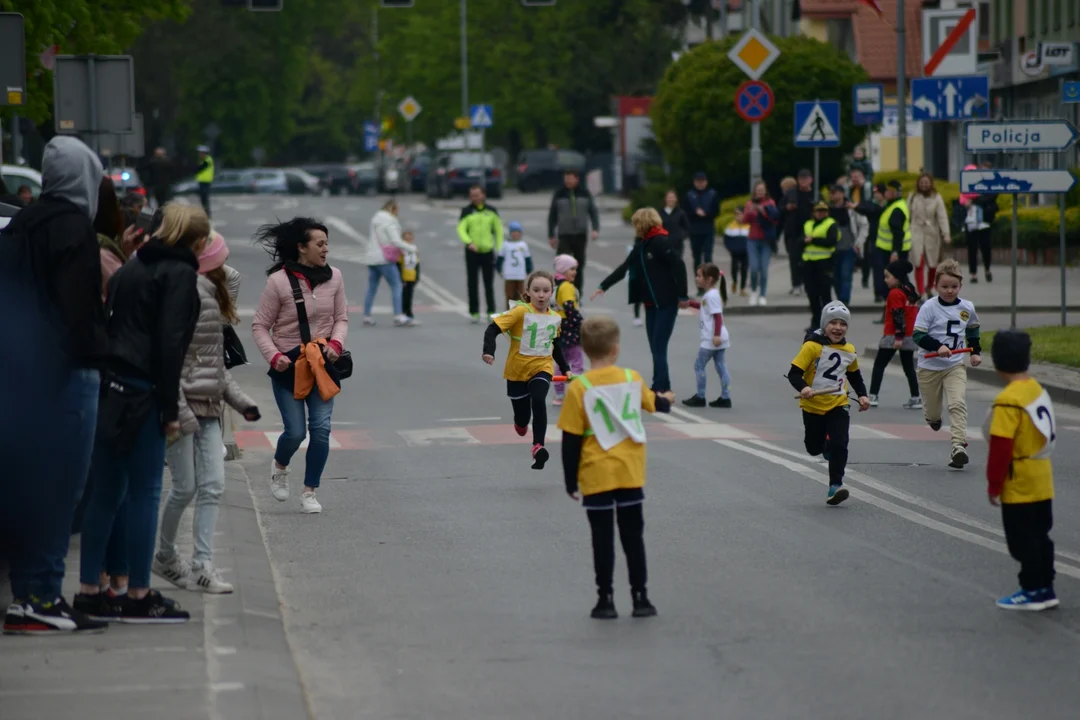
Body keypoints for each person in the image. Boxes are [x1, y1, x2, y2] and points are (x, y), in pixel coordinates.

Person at [74, 203, 205, 625]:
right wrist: (170, 407)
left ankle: (90, 591)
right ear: (197, 242)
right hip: (144, 390)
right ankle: (138, 594)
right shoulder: (180, 273)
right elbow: (170, 344)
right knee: (146, 493)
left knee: (107, 492)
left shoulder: (132, 265)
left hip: (110, 383)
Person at [0, 136, 110, 635]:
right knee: (62, 490)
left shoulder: (23, 222)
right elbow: (75, 308)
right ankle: (42, 595)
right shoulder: (73, 229)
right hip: (68, 375)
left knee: (29, 486)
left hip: (23, 370)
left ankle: (29, 594)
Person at [153, 233, 260, 594]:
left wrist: (242, 403)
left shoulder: (212, 301)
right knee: (185, 487)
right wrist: (180, 413)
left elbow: (216, 367)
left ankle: (202, 565)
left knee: (213, 485)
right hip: (180, 408)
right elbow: (169, 366)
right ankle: (165, 556)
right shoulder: (181, 300)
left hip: (210, 407)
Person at [557, 316, 674, 619]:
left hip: (595, 475)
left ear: (583, 349)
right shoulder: (631, 378)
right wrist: (667, 401)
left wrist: (571, 481)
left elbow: (570, 440)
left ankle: (605, 599)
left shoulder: (578, 388)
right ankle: (640, 597)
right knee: (633, 536)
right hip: (629, 472)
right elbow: (654, 404)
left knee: (602, 537)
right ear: (616, 349)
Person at [252, 218, 349, 514]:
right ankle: (280, 466)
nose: (325, 250)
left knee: (320, 429)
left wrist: (335, 345)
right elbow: (259, 326)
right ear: (301, 248)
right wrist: (274, 356)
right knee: (295, 432)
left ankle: (310, 491)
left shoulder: (335, 277)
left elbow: (341, 318)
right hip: (289, 367)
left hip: (322, 364)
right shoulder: (278, 282)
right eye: (319, 244)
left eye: (327, 244)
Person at [986, 330, 1058, 611]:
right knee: (1041, 534)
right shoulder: (1036, 390)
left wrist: (994, 484)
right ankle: (1046, 585)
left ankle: (1031, 589)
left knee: (1020, 539)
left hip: (1019, 480)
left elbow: (1001, 447)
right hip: (1042, 476)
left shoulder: (1008, 400)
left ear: (997, 362)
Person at [592, 208, 689, 394]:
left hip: (666, 302)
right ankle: (662, 384)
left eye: (636, 224)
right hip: (651, 304)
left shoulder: (660, 242)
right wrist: (603, 286)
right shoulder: (642, 244)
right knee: (654, 346)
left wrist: (683, 295)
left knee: (659, 346)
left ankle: (659, 387)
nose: (634, 227)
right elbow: (625, 267)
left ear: (643, 224)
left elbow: (679, 265)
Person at [482, 270, 571, 470]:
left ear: (552, 293)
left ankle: (538, 446)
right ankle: (521, 424)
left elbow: (555, 346)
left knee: (539, 400)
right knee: (522, 419)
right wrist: (489, 351)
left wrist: (566, 369)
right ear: (528, 292)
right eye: (536, 290)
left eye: (546, 290)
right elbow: (492, 329)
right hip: (517, 371)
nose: (541, 295)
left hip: (542, 367)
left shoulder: (555, 317)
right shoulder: (521, 312)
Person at [786, 301, 871, 506]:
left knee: (840, 443)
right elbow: (794, 374)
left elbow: (855, 375)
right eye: (833, 323)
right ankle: (824, 444)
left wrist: (862, 395)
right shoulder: (811, 346)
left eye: (843, 324)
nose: (838, 328)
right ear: (825, 324)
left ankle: (835, 485)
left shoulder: (849, 350)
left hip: (838, 403)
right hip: (813, 406)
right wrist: (804, 388)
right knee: (813, 448)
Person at [913, 259, 981, 469]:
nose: (950, 291)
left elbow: (972, 329)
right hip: (929, 366)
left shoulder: (966, 307)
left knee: (957, 403)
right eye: (945, 287)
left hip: (954, 365)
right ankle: (933, 419)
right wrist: (937, 346)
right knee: (934, 413)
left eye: (954, 287)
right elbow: (917, 335)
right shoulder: (929, 307)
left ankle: (958, 446)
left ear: (960, 286)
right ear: (936, 286)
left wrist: (975, 352)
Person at [868, 259, 922, 409]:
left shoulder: (895, 293)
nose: (885, 280)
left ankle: (872, 395)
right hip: (910, 335)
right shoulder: (910, 291)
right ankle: (915, 397)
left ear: (896, 277)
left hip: (894, 335)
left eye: (887, 277)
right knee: (908, 367)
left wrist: (898, 337)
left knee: (879, 365)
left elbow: (898, 315)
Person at [681, 263, 731, 408]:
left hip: (711, 339)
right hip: (719, 337)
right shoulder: (710, 295)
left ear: (709, 279)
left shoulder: (711, 296)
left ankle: (700, 396)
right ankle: (725, 397)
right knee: (721, 366)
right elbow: (704, 307)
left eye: (699, 276)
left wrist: (716, 335)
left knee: (699, 365)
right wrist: (689, 303)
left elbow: (717, 316)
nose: (696, 279)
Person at [547, 170, 600, 293]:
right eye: (566, 179)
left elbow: (593, 212)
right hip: (564, 235)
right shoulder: (559, 194)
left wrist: (595, 229)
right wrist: (551, 235)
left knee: (578, 266)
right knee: (562, 265)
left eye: (570, 178)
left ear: (577, 179)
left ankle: (577, 293)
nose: (568, 181)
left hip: (580, 235)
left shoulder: (585, 194)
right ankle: (560, 292)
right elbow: (552, 216)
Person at [364, 198, 413, 327]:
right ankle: (398, 315)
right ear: (392, 209)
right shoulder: (390, 222)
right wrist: (412, 248)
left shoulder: (375, 219)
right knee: (396, 285)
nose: (398, 212)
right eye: (397, 209)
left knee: (372, 287)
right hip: (385, 258)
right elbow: (395, 241)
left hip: (372, 258)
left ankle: (367, 315)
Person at [459, 185, 503, 323]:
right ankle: (474, 312)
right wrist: (468, 242)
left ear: (483, 195)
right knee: (472, 282)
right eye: (472, 195)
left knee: (488, 282)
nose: (475, 198)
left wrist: (500, 249)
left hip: (488, 251)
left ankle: (491, 310)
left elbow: (498, 231)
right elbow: (461, 229)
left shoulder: (491, 211)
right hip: (472, 252)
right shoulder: (467, 211)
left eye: (477, 195)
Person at [908, 173, 951, 298]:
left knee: (933, 264)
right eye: (922, 182)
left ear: (930, 183)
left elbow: (942, 217)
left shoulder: (937, 197)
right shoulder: (913, 196)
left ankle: (929, 288)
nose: (924, 185)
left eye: (926, 182)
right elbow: (907, 215)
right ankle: (920, 292)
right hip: (916, 232)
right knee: (918, 263)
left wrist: (946, 234)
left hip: (932, 233)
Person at [827, 184, 868, 306]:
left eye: (834, 193)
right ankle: (840, 297)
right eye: (831, 193)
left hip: (849, 248)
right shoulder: (828, 209)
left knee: (846, 275)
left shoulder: (851, 208)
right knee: (835, 277)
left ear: (842, 194)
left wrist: (858, 244)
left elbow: (864, 225)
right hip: (832, 249)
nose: (832, 195)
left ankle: (844, 301)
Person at [739, 181, 779, 306]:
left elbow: (775, 219)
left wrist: (763, 211)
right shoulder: (749, 203)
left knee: (764, 269)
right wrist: (750, 211)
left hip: (766, 240)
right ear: (754, 191)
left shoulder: (770, 203)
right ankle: (754, 291)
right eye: (758, 190)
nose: (760, 192)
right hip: (753, 239)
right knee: (754, 268)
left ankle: (762, 294)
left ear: (766, 191)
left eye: (762, 190)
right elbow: (744, 221)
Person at [552, 255, 585, 405]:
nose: (574, 272)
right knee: (577, 359)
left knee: (561, 360)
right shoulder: (567, 287)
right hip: (569, 326)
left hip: (559, 326)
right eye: (572, 269)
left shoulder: (559, 285)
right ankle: (576, 390)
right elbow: (569, 308)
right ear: (563, 270)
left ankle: (559, 393)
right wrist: (581, 324)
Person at [802, 201, 837, 333]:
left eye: (823, 211)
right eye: (818, 211)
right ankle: (815, 322)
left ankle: (828, 323)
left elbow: (831, 241)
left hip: (825, 263)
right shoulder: (808, 224)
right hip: (809, 263)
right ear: (814, 212)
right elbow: (800, 240)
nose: (821, 213)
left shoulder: (831, 224)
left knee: (825, 294)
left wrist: (813, 240)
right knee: (812, 294)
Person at [873, 179, 911, 294]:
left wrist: (895, 252)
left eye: (888, 191)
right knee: (897, 277)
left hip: (891, 251)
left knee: (895, 278)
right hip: (889, 249)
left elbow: (898, 233)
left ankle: (909, 297)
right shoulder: (894, 204)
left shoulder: (896, 209)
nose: (885, 193)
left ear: (894, 193)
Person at [960, 166, 996, 284]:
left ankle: (987, 269)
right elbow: (962, 200)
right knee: (972, 248)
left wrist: (975, 200)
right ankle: (973, 274)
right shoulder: (965, 187)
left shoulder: (985, 184)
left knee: (985, 247)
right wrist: (966, 203)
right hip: (971, 223)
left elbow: (991, 196)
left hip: (984, 222)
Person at [782, 169, 815, 296]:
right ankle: (796, 284)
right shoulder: (791, 193)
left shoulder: (814, 194)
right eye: (801, 179)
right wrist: (787, 208)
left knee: (807, 261)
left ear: (811, 180)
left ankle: (807, 283)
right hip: (793, 232)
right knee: (794, 259)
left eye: (806, 178)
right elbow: (780, 210)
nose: (804, 181)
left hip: (810, 233)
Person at [685, 172, 720, 271]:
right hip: (694, 229)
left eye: (702, 181)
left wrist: (706, 214)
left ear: (706, 182)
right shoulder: (689, 195)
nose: (700, 184)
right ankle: (699, 281)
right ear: (694, 182)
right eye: (698, 181)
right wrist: (695, 213)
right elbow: (686, 211)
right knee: (696, 257)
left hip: (708, 228)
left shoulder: (712, 194)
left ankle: (708, 278)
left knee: (708, 256)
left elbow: (717, 211)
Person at [847, 166, 874, 291]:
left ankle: (865, 277)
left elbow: (869, 203)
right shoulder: (849, 188)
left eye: (857, 177)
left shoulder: (867, 188)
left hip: (864, 217)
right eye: (853, 177)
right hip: (852, 216)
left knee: (866, 250)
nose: (855, 179)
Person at [496, 220, 532, 309]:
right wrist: (499, 268)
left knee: (521, 296)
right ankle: (509, 313)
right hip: (509, 274)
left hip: (520, 274)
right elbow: (500, 258)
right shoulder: (505, 245)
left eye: (517, 232)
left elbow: (527, 258)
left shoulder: (523, 245)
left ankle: (519, 312)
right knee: (509, 295)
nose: (515, 234)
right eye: (513, 232)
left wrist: (528, 269)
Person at [722, 216, 750, 297]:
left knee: (744, 269)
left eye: (741, 214)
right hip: (735, 252)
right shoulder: (731, 226)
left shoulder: (748, 226)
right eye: (737, 214)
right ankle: (734, 282)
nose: (739, 217)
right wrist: (730, 248)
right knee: (734, 268)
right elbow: (726, 239)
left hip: (745, 252)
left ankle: (742, 288)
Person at [399, 229, 420, 324]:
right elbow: (399, 264)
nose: (408, 240)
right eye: (405, 239)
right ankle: (404, 314)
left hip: (412, 276)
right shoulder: (401, 250)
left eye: (409, 238)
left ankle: (409, 314)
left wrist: (417, 277)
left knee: (409, 296)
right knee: (404, 296)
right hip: (404, 276)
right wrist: (401, 278)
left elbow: (417, 264)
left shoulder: (414, 249)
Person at [195, 145, 214, 218]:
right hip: (201, 181)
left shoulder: (208, 160)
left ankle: (207, 214)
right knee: (203, 198)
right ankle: (205, 213)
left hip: (206, 182)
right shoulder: (202, 160)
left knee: (205, 198)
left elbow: (200, 168)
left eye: (201, 153)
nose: (200, 154)